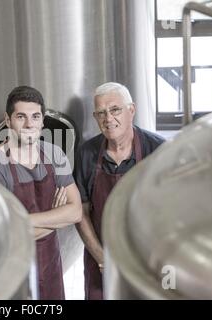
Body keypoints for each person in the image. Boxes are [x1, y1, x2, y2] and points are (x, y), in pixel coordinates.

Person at [0, 85, 82, 300]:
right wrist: (55, 218)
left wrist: (21, 220)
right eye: (21, 117)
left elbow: (75, 212)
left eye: (35, 117)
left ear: (42, 121)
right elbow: (2, 231)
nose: (29, 124)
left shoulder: (55, 154)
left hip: (51, 267)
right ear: (8, 121)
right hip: (12, 270)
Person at [74, 82, 165, 300]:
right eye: (101, 113)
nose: (108, 118)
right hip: (101, 259)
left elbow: (170, 213)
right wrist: (101, 258)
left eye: (115, 110)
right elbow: (81, 212)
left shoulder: (159, 150)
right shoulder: (86, 153)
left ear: (131, 110)